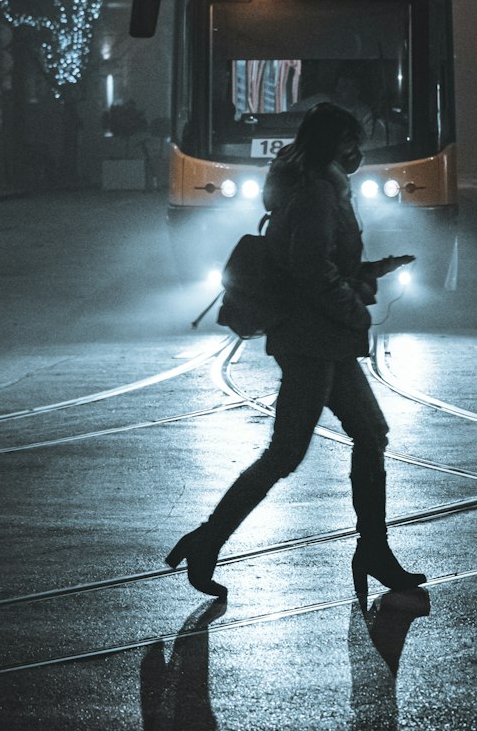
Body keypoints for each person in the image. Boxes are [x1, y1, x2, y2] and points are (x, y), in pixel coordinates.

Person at [166, 102, 423, 598]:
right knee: (286, 453)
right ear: (335, 144)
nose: (359, 153)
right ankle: (206, 541)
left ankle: (374, 550)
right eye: (353, 142)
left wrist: (370, 271)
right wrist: (355, 308)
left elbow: (320, 262)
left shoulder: (316, 188)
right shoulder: (316, 194)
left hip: (324, 340)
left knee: (370, 433)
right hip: (311, 340)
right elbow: (309, 269)